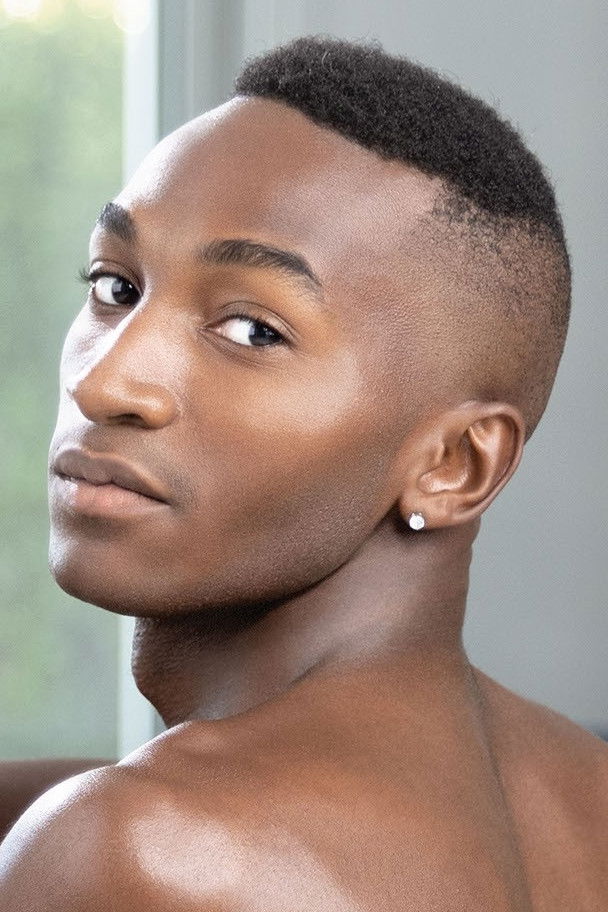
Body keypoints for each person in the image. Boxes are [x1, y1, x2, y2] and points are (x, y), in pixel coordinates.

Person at [1, 34, 606, 911]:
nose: (105, 383)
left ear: (453, 465)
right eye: (115, 286)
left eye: (253, 331)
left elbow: (137, 842)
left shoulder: (135, 848)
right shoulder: (585, 793)